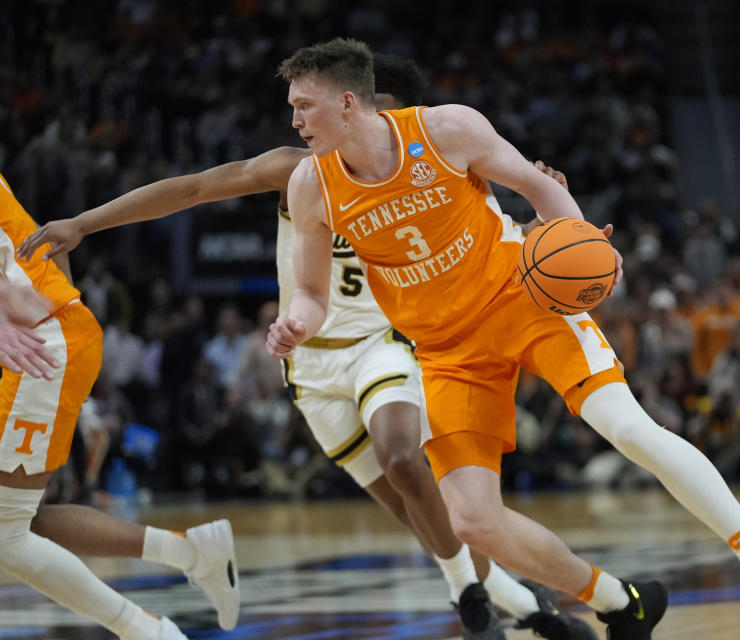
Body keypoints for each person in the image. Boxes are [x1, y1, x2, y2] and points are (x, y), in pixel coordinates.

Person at [20, 54, 589, 640]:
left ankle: (475, 597)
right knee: (415, 514)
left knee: (404, 460)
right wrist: (84, 223)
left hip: (380, 346)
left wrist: (549, 215)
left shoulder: (428, 168)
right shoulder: (301, 174)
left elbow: (490, 242)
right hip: (311, 368)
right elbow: (192, 188)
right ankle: (521, 602)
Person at [268, 38, 740, 640]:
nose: (294, 120)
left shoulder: (447, 130)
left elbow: (539, 188)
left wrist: (585, 244)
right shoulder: (310, 186)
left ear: (348, 102)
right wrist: (298, 321)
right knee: (475, 521)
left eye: (304, 105)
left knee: (627, 428)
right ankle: (620, 602)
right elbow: (313, 295)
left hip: (520, 299)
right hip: (446, 352)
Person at [0, 172, 239, 639]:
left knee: (8, 532)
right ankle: (190, 554)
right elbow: (45, 248)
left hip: (37, 342)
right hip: (48, 338)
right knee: (21, 522)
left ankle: (152, 631)